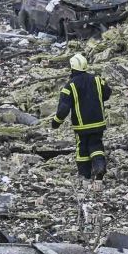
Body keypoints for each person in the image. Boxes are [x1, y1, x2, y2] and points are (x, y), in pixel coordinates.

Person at [52, 53, 111, 181]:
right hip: (98, 122)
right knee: (96, 145)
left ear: (72, 68)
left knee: (82, 149)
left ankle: (85, 176)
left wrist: (56, 122)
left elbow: (63, 109)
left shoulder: (70, 86)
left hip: (82, 125)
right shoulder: (97, 79)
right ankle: (100, 166)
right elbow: (107, 94)